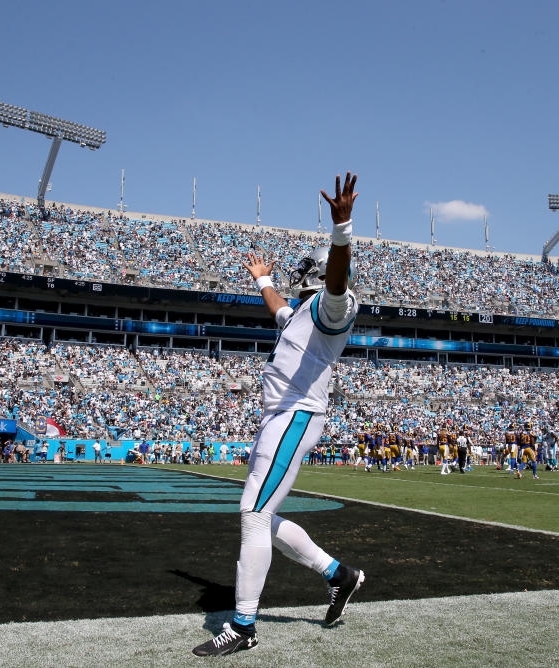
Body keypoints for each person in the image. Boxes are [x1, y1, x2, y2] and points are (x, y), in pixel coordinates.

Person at [193, 173, 364, 657]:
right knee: (262, 518)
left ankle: (243, 627)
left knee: (252, 514)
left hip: (295, 415)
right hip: (280, 417)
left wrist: (342, 229)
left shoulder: (335, 306)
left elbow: (335, 279)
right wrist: (263, 279)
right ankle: (339, 574)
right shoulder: (301, 313)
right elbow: (278, 308)